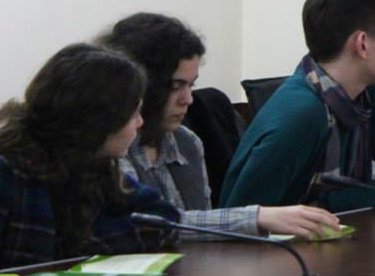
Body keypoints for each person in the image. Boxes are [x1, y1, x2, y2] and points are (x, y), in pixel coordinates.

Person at [100, 13, 341, 239]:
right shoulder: (110, 146)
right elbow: (143, 225)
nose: (188, 99)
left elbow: (200, 232)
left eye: (191, 85)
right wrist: (256, 217)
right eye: (175, 87)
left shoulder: (186, 142)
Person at [219, 0, 375, 211]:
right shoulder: (302, 114)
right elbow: (240, 219)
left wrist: (324, 205)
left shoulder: (367, 95)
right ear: (362, 43)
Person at [0, 44, 178, 274]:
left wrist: (84, 248)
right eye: (133, 114)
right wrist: (78, 253)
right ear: (99, 121)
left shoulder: (94, 166)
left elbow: (163, 217)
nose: (140, 123)